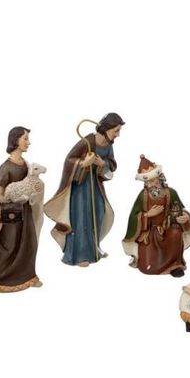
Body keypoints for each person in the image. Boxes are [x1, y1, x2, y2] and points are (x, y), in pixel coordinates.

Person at [44, 113, 125, 266]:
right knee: (82, 217)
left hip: (95, 186)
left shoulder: (108, 146)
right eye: (116, 131)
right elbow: (69, 160)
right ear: (106, 129)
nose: (118, 135)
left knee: (99, 213)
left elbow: (112, 164)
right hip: (81, 188)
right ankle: (80, 254)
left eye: (119, 131)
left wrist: (102, 164)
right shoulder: (87, 142)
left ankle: (94, 249)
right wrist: (83, 163)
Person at [0, 126, 43, 293]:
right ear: (15, 140)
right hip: (10, 214)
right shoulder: (6, 167)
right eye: (25, 139)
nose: (28, 142)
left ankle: (27, 275)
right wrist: (13, 199)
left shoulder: (26, 164)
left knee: (28, 243)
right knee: (9, 245)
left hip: (26, 212)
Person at [123, 155, 190, 277]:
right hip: (149, 232)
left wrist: (185, 218)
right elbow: (133, 216)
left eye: (153, 180)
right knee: (148, 265)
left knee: (176, 233)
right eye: (147, 182)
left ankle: (175, 265)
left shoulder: (171, 193)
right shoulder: (143, 196)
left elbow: (181, 209)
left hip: (166, 228)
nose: (151, 184)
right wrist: (147, 215)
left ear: (159, 177)